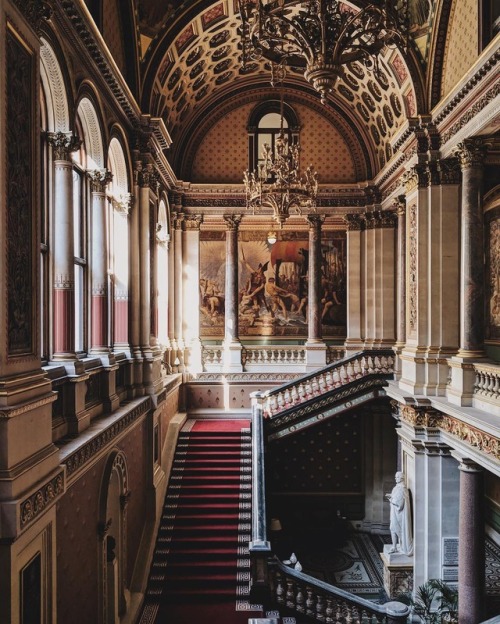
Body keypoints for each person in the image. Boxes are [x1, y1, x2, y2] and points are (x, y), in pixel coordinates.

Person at [385, 471, 413, 556]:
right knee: (392, 528)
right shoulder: (397, 488)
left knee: (395, 529)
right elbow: (397, 498)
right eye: (395, 477)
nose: (395, 479)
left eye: (397, 477)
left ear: (401, 478)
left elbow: (400, 505)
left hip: (399, 514)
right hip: (394, 512)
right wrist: (391, 496)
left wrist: (391, 499)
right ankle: (394, 546)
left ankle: (397, 546)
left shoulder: (402, 489)